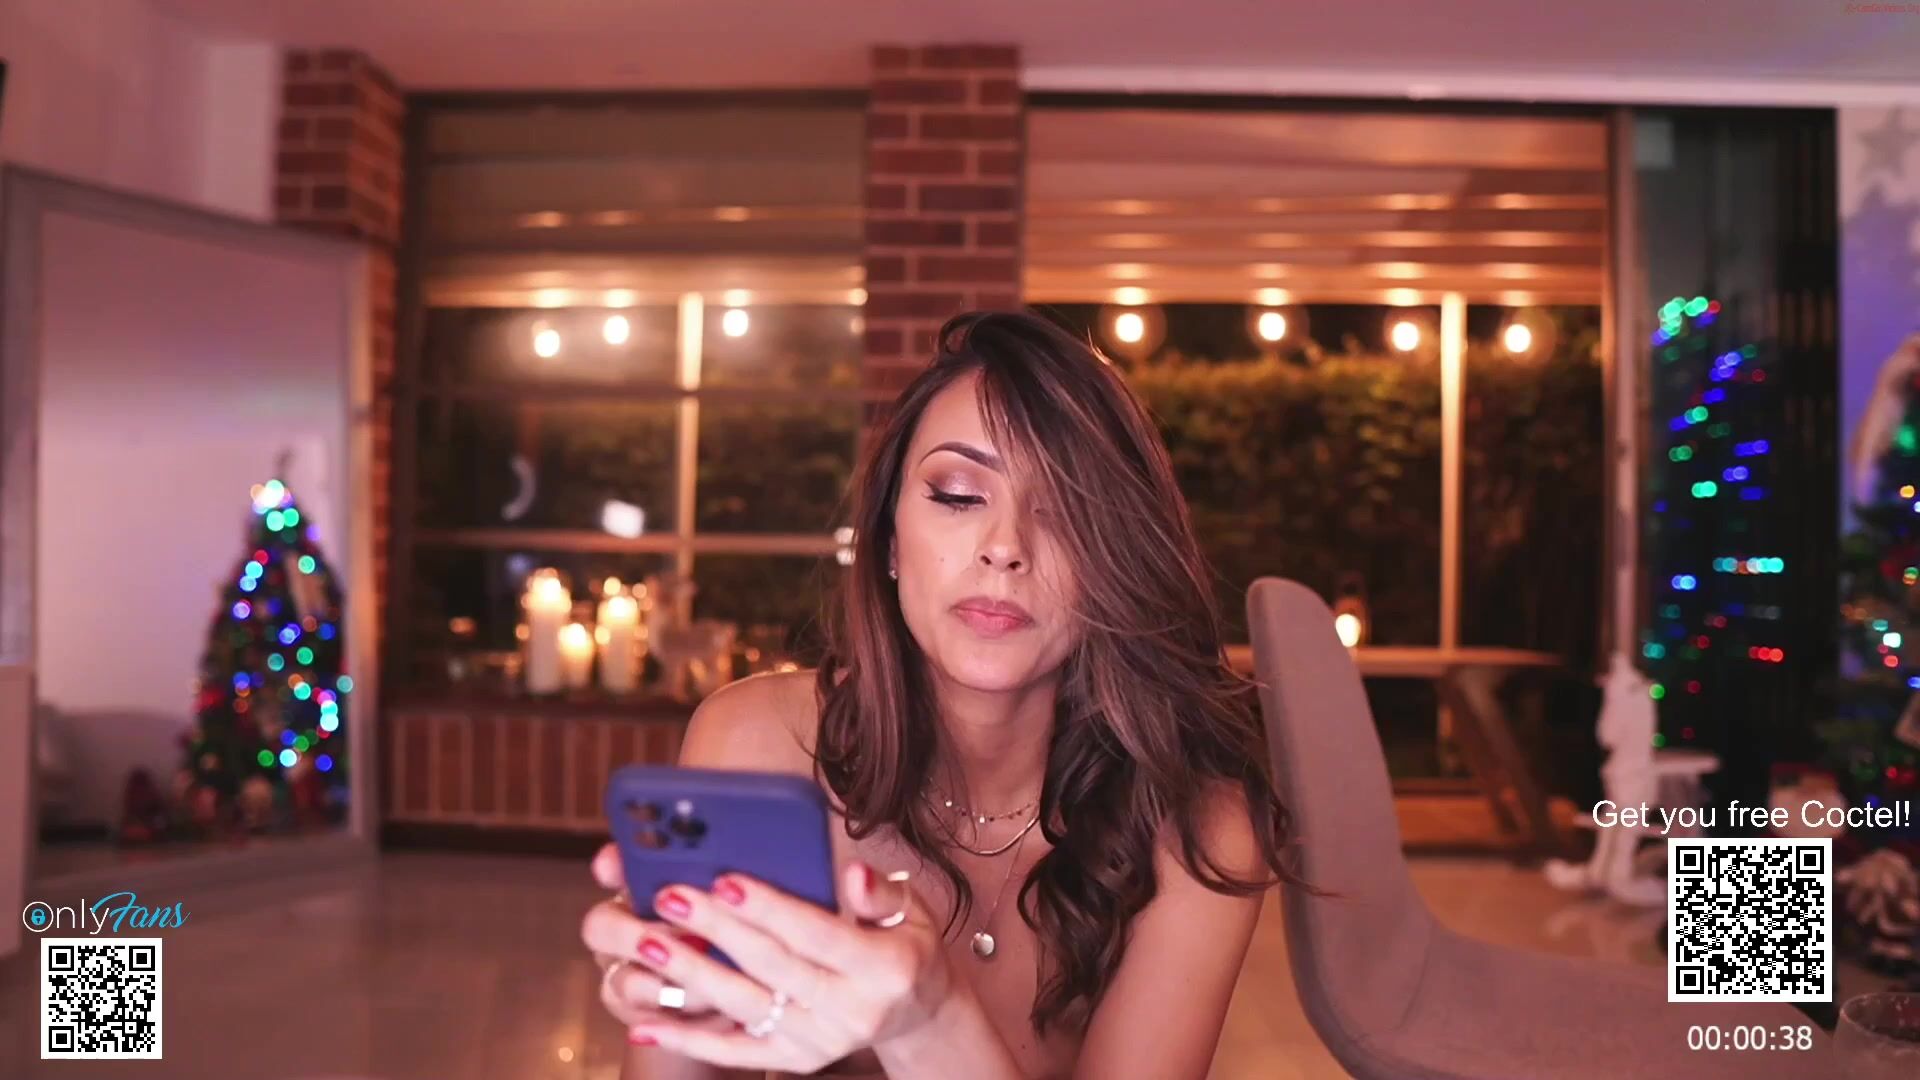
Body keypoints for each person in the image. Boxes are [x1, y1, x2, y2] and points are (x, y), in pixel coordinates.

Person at [581, 309, 1304, 1079]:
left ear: (1115, 558)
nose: (1005, 547)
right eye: (958, 495)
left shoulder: (1199, 827)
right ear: (890, 540)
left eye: (1066, 510)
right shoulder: (759, 742)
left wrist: (928, 1021)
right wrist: (683, 1005)